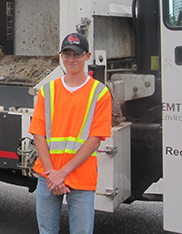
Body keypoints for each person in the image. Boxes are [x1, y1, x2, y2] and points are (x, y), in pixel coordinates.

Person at [29, 33, 112, 234]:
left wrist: (61, 174)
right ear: (61, 56)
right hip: (48, 175)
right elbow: (38, 135)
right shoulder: (47, 91)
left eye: (77, 54)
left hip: (79, 176)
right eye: (67, 54)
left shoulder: (99, 92)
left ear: (87, 56)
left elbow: (95, 140)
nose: (72, 59)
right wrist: (52, 175)